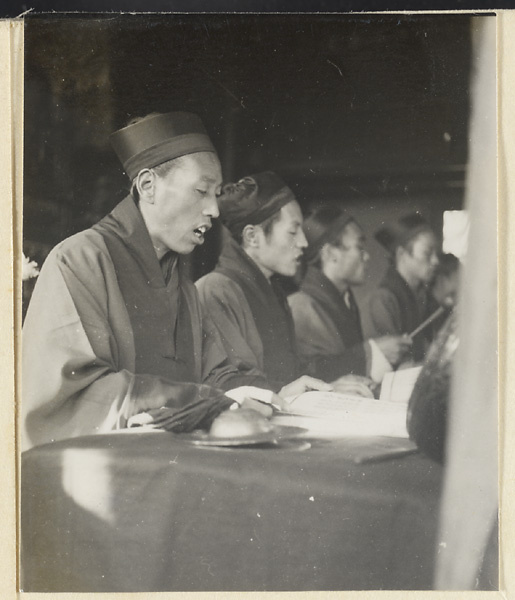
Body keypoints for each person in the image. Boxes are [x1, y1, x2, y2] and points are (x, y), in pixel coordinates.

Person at [21, 112, 280, 450]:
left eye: (216, 194)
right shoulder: (80, 260)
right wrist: (193, 398)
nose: (214, 210)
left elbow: (215, 373)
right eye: (202, 191)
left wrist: (274, 393)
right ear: (147, 186)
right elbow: (70, 398)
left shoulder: (182, 283)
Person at [196, 171, 372, 397]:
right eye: (292, 231)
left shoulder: (273, 291)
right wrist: (284, 392)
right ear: (252, 237)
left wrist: (332, 384)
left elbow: (288, 374)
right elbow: (223, 385)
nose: (303, 242)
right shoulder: (215, 290)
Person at [288, 206, 412, 385]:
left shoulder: (346, 299)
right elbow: (309, 373)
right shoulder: (300, 305)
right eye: (359, 247)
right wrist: (372, 351)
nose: (367, 256)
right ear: (331, 254)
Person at [364, 212, 440, 363]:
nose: (435, 261)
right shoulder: (383, 299)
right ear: (402, 254)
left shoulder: (423, 296)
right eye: (427, 253)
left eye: (436, 253)